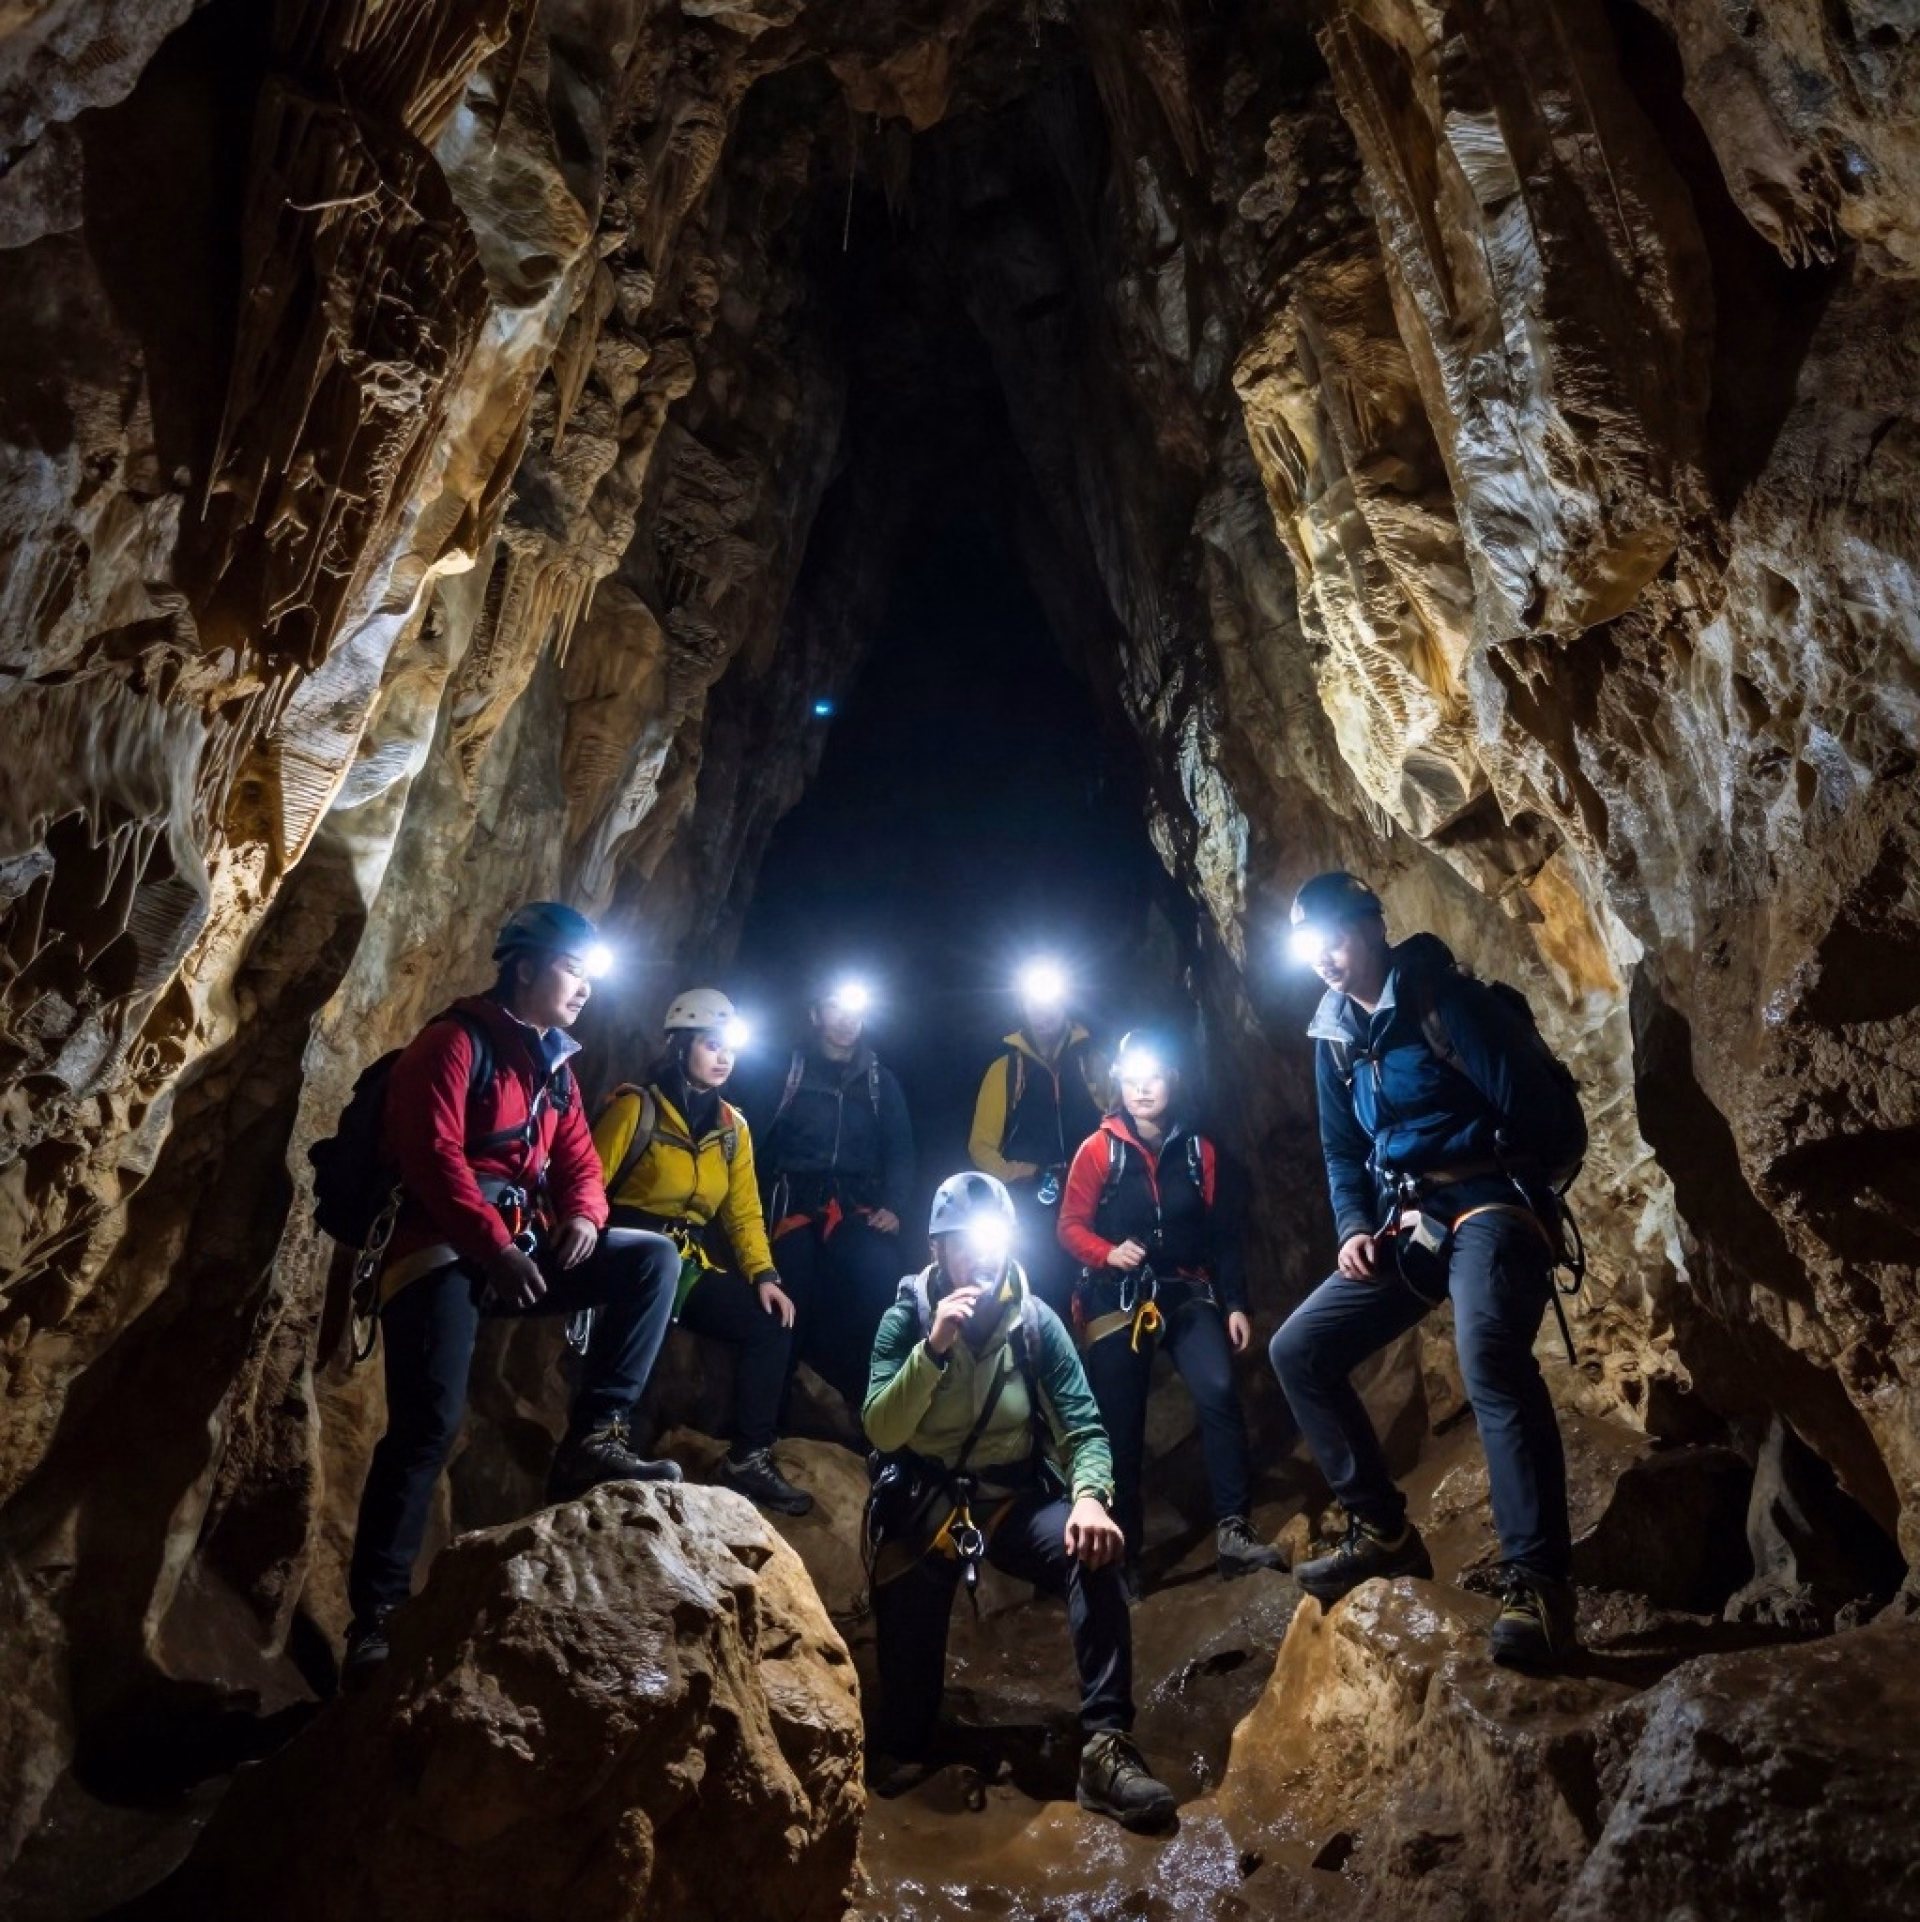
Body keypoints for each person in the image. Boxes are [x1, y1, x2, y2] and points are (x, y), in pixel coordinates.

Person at [343, 902, 681, 1688]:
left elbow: (580, 1167)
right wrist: (491, 1245)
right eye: (573, 970)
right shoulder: (453, 1043)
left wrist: (587, 1220)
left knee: (648, 1259)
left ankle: (595, 1437)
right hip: (435, 1251)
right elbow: (430, 1155)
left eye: (592, 977)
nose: (586, 989)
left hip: (515, 1253)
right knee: (428, 1424)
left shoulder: (553, 1070)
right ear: (524, 967)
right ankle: (377, 1620)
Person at [1269, 871, 1581, 1668]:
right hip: (1410, 1225)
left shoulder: (1446, 1002)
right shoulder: (1334, 1036)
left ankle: (1539, 1586)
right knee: (1298, 1349)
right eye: (1312, 948)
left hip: (1491, 1207)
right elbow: (1342, 1152)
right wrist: (1353, 1226)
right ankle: (1383, 1532)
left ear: (1372, 927)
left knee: (1490, 1357)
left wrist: (1484, 1184)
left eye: (1335, 938)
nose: (1326, 959)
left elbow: (1541, 1120)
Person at [863, 1171, 1177, 1832]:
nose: (980, 1255)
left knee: (1093, 1552)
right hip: (926, 1506)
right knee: (905, 1716)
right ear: (936, 1249)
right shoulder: (905, 1319)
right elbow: (882, 1427)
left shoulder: (1034, 1323)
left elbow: (1084, 1428)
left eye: (990, 1241)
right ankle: (908, 1738)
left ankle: (1106, 1747)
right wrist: (934, 1350)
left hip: (1008, 1500)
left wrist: (1090, 1498)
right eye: (962, 1243)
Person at [1057, 1031, 1282, 1595]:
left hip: (1184, 1291)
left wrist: (1235, 1303)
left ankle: (1233, 1531)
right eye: (1131, 1078)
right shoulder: (1098, 1149)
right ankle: (1124, 1553)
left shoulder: (1199, 1150)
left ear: (1173, 1081)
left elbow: (1223, 1236)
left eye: (1152, 1076)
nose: (1140, 1088)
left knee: (1218, 1390)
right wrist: (1106, 1253)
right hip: (1120, 1296)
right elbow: (1069, 1226)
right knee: (1121, 1424)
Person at [593, 988, 812, 1518]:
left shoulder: (732, 1129)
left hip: (685, 1264)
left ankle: (748, 1457)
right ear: (680, 1046)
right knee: (643, 1336)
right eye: (711, 1044)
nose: (723, 1057)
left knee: (771, 1322)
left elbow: (742, 1212)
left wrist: (764, 1273)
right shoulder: (635, 1108)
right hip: (628, 1252)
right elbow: (589, 1184)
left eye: (729, 1047)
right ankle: (606, 1453)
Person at [758, 976, 916, 1418]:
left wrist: (894, 1206)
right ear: (815, 1014)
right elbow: (754, 1141)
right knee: (788, 1288)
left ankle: (875, 1408)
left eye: (856, 1011)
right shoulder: (789, 1073)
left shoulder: (879, 1082)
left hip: (853, 1207)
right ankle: (769, 1410)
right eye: (836, 1008)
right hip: (795, 1204)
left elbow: (901, 1150)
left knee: (880, 1279)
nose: (847, 1021)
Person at [966, 960, 1108, 1315]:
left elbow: (1120, 1124)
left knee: (1093, 1288)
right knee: (1037, 1289)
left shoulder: (1093, 1063)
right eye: (1034, 1002)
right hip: (1032, 1199)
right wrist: (1021, 1172)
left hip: (1092, 1192)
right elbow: (981, 1146)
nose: (1043, 1011)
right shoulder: (1006, 1071)